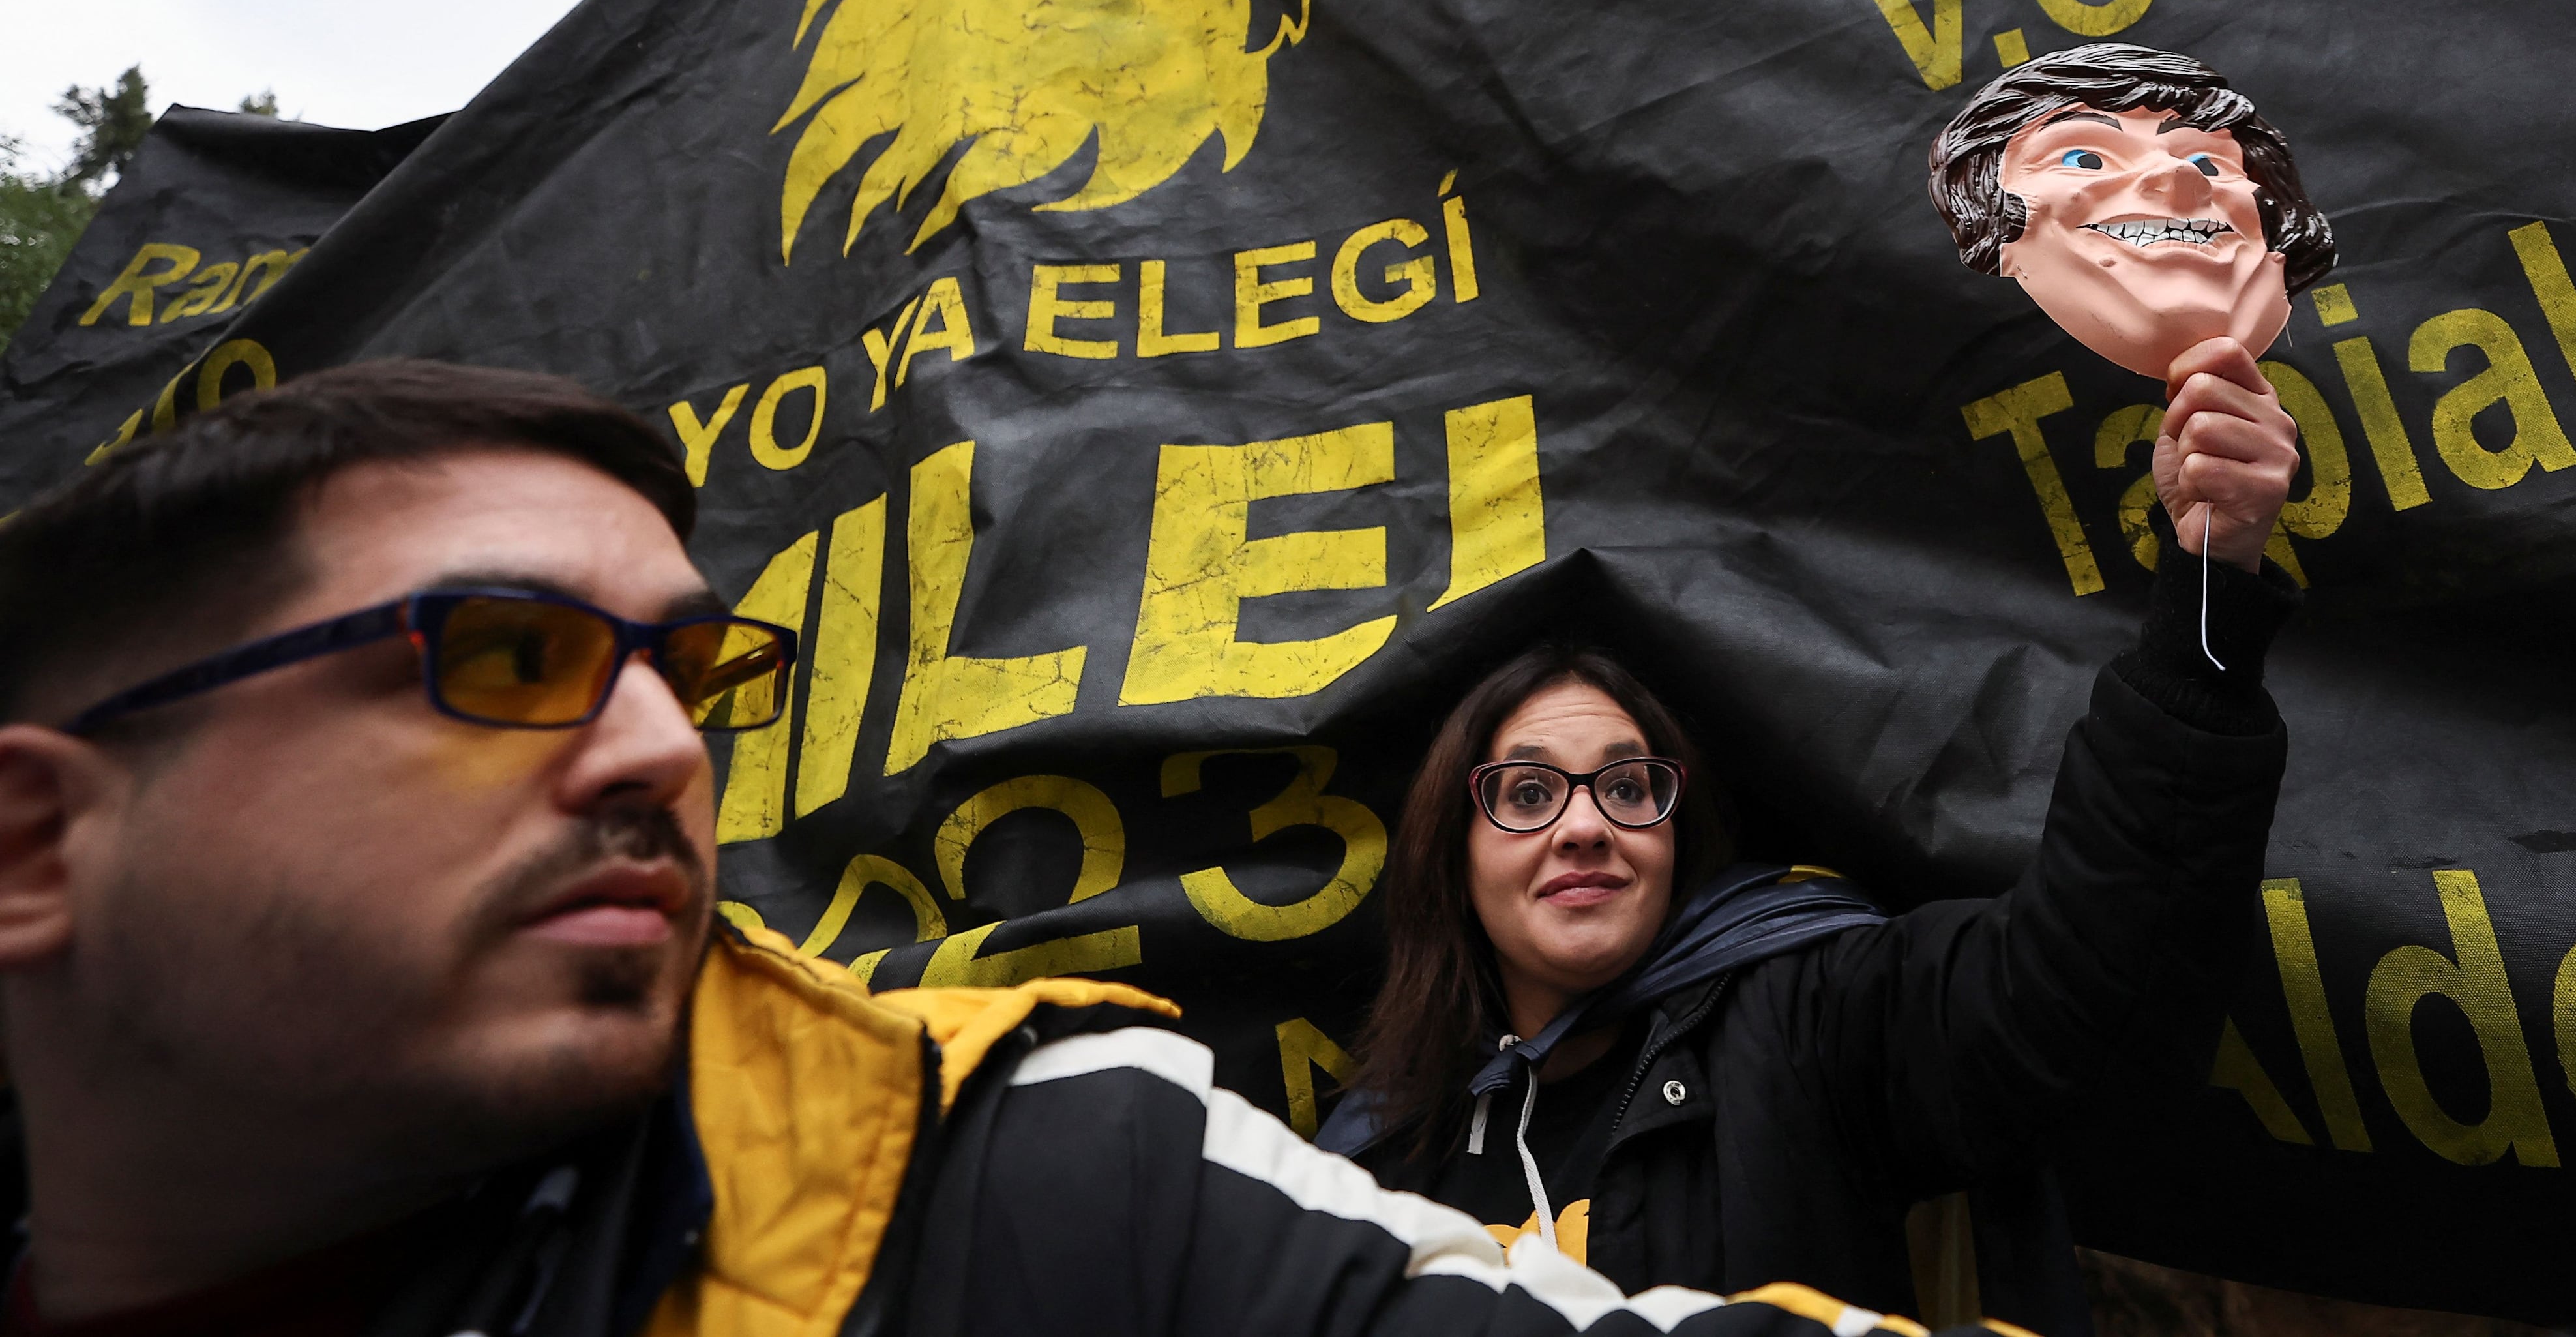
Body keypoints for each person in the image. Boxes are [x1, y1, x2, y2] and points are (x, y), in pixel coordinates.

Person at [0, 359, 1970, 1337]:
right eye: (508, 659)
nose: (663, 749)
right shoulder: (1401, 1115)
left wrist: (2210, 628)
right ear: (35, 843)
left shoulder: (1021, 1180)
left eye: (695, 672)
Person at [1317, 52, 2323, 1335]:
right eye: (1524, 791)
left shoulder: (1808, 1022)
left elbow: (2091, 980)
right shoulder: (1362, 1160)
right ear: (1450, 853)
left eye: (1629, 782)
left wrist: (2208, 585)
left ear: (1682, 829)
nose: (1582, 823)